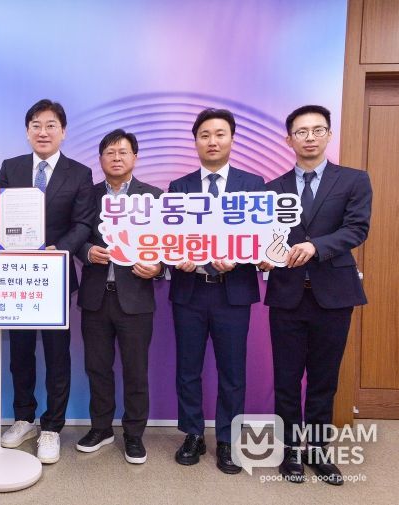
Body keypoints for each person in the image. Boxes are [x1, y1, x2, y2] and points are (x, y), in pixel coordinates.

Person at [259, 105, 372, 485]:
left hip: (334, 295)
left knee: (324, 378)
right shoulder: (271, 189)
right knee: (286, 378)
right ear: (288, 139)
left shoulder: (353, 180)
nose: (310, 137)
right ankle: (290, 451)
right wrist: (262, 257)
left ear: (328, 135)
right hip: (287, 295)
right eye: (301, 131)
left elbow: (357, 228)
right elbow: (265, 239)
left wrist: (316, 246)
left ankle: (318, 450)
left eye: (317, 130)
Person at [0, 99, 95, 464]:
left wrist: (59, 250)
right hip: (17, 278)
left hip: (55, 276)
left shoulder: (79, 173)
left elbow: (83, 223)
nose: (43, 131)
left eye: (51, 125)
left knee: (57, 354)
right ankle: (24, 418)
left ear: (63, 131)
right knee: (20, 352)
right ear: (27, 131)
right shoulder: (11, 168)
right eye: (36, 125)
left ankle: (52, 427)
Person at [168, 109, 265, 474]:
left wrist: (239, 259)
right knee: (188, 368)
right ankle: (193, 433)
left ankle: (227, 438)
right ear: (196, 141)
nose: (212, 141)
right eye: (205, 135)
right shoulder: (179, 187)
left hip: (233, 292)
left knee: (232, 370)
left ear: (231, 139)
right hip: (190, 291)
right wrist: (178, 259)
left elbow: (261, 237)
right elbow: (169, 238)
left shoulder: (253, 185)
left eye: (220, 134)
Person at [75, 129, 162, 464]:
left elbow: (168, 244)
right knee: (97, 367)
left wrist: (158, 268)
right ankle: (101, 428)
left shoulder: (153, 197)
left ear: (135, 157)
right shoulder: (88, 195)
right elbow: (75, 233)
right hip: (96, 297)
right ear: (100, 159)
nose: (116, 158)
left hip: (135, 298)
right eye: (109, 152)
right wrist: (85, 251)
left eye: (123, 152)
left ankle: (134, 434)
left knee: (135, 370)